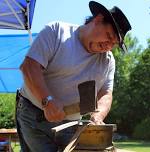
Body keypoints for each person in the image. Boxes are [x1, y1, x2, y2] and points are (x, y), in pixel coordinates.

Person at [16, 1, 132, 152]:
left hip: (72, 124)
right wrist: (47, 101)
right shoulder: (57, 32)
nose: (108, 46)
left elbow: (105, 93)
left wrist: (98, 116)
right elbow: (30, 67)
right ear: (97, 19)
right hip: (34, 114)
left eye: (113, 43)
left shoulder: (108, 61)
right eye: (108, 36)